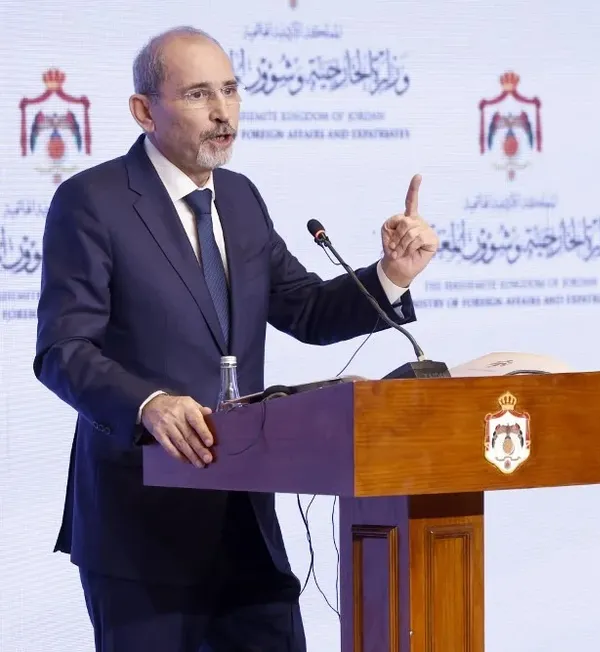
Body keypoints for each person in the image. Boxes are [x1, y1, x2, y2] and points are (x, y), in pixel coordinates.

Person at [32, 25, 439, 652]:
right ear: (144, 111)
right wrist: (149, 403)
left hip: (247, 523)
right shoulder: (92, 201)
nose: (222, 112)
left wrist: (390, 276)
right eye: (198, 94)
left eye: (230, 90)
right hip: (143, 526)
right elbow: (63, 350)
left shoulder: (242, 200)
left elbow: (303, 309)